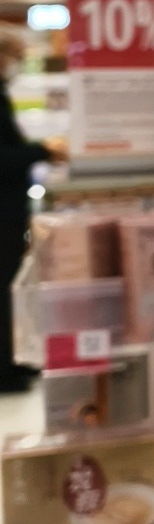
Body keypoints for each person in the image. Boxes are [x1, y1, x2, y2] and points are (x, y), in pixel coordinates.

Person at [0, 25, 48, 390]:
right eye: (15, 56)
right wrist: (41, 150)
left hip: (10, 210)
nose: (17, 64)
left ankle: (12, 360)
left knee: (10, 287)